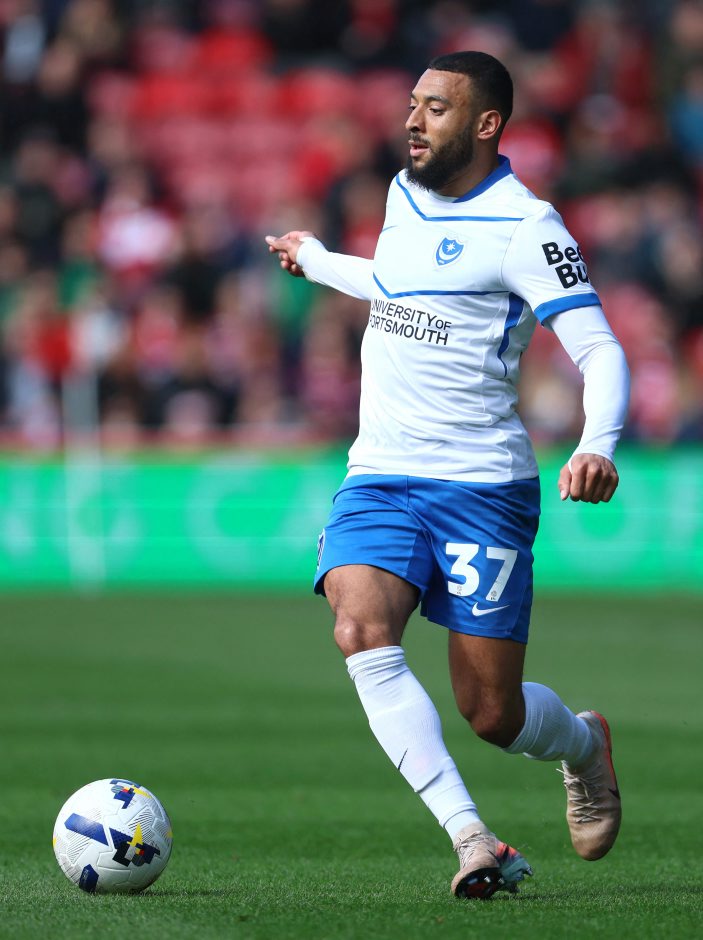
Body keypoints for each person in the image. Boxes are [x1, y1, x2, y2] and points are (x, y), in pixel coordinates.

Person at [265, 50, 629, 900]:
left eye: (435, 107)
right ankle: (472, 838)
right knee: (358, 628)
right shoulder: (403, 193)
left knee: (491, 715)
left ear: (486, 123)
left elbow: (598, 348)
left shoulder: (527, 227)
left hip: (480, 486)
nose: (412, 120)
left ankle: (582, 745)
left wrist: (598, 443)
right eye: (412, 104)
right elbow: (398, 287)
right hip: (381, 472)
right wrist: (318, 259)